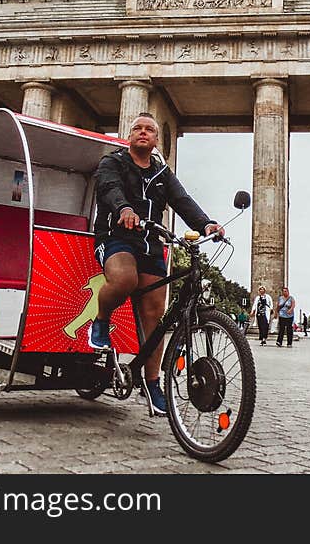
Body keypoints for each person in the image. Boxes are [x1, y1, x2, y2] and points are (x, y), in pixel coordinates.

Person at [90, 112, 224, 414]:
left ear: (156, 138)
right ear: (129, 135)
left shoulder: (163, 174)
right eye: (137, 128)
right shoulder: (113, 163)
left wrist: (206, 225)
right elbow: (109, 189)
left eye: (149, 129)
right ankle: (101, 321)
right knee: (125, 280)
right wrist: (124, 208)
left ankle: (152, 384)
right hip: (115, 238)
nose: (143, 132)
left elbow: (183, 200)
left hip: (151, 244)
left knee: (155, 317)